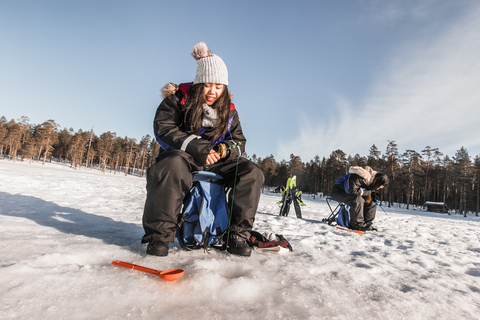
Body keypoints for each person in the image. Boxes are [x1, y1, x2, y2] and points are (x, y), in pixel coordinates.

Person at [141, 41, 264, 257]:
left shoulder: (230, 112)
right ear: (199, 83)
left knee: (251, 172)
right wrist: (199, 148)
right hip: (184, 156)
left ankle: (237, 235)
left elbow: (239, 141)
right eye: (208, 85)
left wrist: (225, 150)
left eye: (219, 87)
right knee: (170, 166)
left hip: (218, 160)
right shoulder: (177, 100)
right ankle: (159, 237)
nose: (213, 92)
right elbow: (164, 129)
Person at [330, 166, 389, 231]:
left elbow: (366, 192)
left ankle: (366, 224)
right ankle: (357, 224)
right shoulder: (357, 177)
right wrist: (368, 193)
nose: (378, 189)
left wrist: (373, 195)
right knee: (357, 200)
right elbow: (351, 190)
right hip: (338, 192)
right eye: (379, 187)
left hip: (352, 194)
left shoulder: (369, 181)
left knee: (371, 201)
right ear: (377, 183)